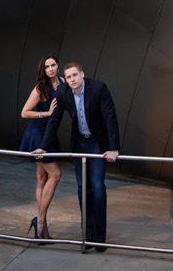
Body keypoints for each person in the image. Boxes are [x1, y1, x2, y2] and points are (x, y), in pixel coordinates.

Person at [34, 61, 120, 251]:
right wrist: (43, 147)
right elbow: (54, 120)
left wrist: (114, 148)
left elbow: (110, 117)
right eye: (69, 76)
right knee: (83, 188)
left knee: (97, 187)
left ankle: (99, 239)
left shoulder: (99, 88)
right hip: (80, 143)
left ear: (82, 74)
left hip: (97, 143)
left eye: (75, 75)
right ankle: (87, 235)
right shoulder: (63, 91)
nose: (72, 79)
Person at [20, 54, 64, 240]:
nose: (51, 69)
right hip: (38, 134)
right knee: (55, 174)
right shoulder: (40, 88)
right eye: (47, 67)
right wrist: (46, 113)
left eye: (53, 65)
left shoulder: (63, 82)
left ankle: (42, 228)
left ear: (58, 66)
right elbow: (24, 112)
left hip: (50, 134)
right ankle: (41, 220)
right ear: (43, 70)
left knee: (41, 177)